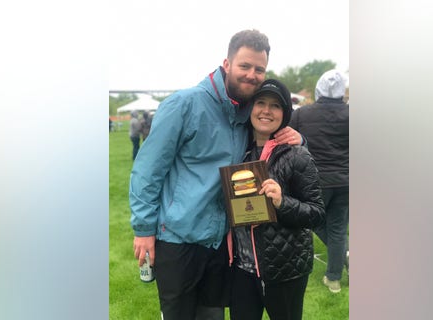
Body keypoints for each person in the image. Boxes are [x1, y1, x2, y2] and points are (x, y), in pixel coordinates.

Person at [129, 29, 303, 320]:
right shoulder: (184, 104)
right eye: (244, 66)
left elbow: (277, 145)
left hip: (220, 243)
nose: (251, 74)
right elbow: (147, 170)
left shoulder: (247, 112)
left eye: (259, 69)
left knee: (212, 316)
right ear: (227, 64)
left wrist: (299, 139)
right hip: (177, 240)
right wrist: (143, 229)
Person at [229, 79, 325, 320]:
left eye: (275, 106)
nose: (266, 111)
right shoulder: (237, 151)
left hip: (285, 269)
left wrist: (283, 203)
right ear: (250, 107)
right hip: (242, 270)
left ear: (285, 113)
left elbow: (316, 213)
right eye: (260, 102)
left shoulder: (297, 155)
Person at [289, 69, 349, 293]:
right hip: (345, 181)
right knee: (337, 228)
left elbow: (287, 139)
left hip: (315, 179)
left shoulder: (303, 114)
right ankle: (333, 279)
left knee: (313, 221)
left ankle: (343, 257)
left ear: (320, 89)